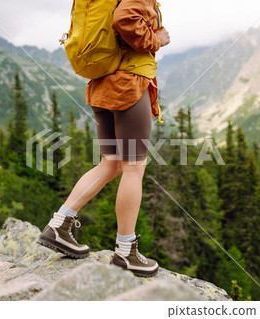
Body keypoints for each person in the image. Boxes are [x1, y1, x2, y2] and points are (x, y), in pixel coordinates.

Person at [37, 0, 170, 278]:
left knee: (111, 163)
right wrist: (156, 39)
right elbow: (124, 19)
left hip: (103, 86)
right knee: (134, 168)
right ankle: (125, 251)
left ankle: (60, 224)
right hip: (129, 85)